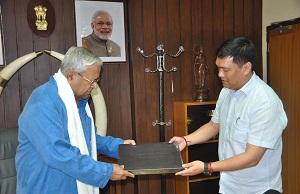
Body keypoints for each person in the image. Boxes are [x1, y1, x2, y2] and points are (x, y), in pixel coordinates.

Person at [169, 37, 288, 194]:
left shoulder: (265, 102)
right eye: (218, 68)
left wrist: (206, 167)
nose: (219, 74)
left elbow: (252, 157)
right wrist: (186, 140)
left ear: (246, 68)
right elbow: (214, 125)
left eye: (225, 70)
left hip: (258, 190)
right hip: (229, 187)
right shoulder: (227, 91)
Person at [16, 47, 134, 194]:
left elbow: (87, 138)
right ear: (71, 75)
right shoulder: (43, 103)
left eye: (97, 80)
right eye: (92, 80)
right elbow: (59, 154)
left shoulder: (78, 101)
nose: (95, 85)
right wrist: (106, 171)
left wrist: (119, 147)